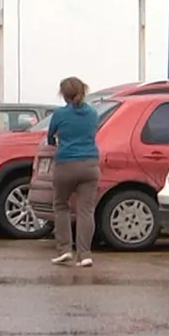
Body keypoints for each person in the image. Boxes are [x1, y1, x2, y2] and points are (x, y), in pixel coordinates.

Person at [47, 76, 101, 268]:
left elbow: (50, 138)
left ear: (63, 95)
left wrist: (56, 143)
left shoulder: (59, 115)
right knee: (86, 210)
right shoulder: (93, 113)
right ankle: (85, 254)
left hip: (66, 164)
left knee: (61, 205)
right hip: (90, 164)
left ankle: (64, 250)